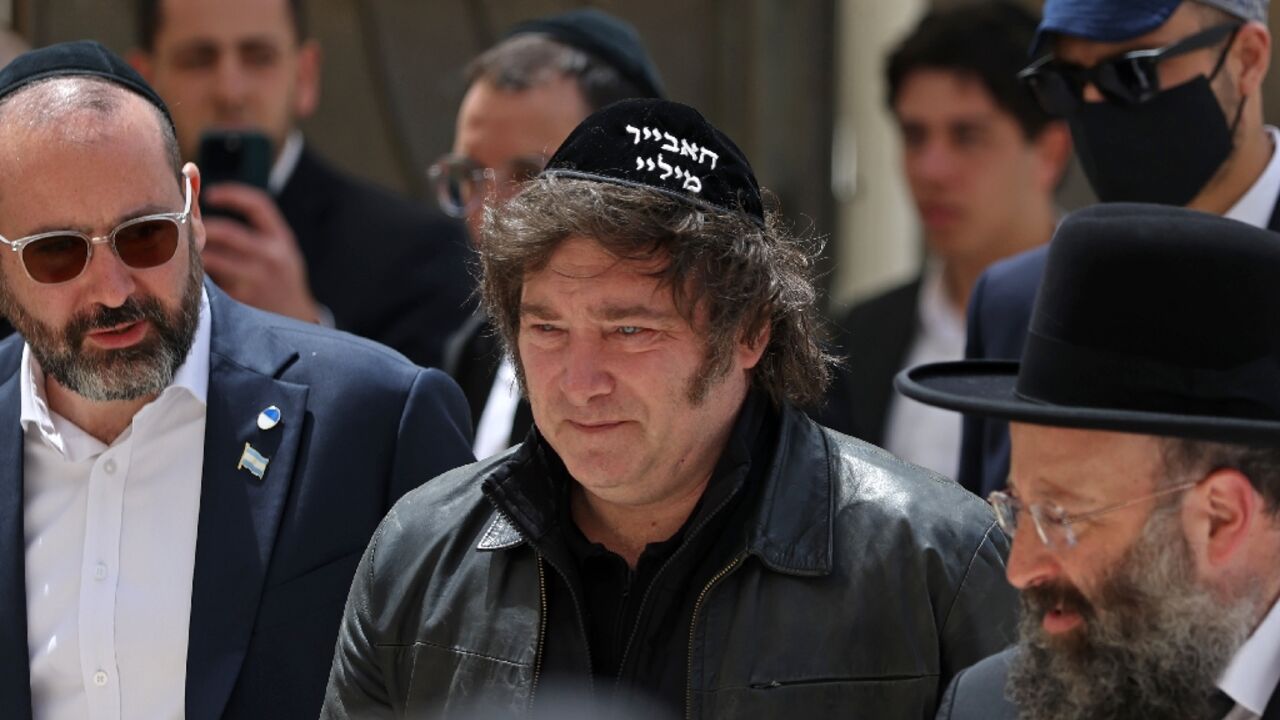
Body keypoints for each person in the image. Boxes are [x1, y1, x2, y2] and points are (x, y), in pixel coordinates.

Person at [322, 99, 1017, 719]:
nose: (580, 381)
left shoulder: (938, 563)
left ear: (749, 331)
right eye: (547, 330)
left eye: (630, 331)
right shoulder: (418, 553)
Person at [0, 42, 474, 720]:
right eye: (56, 252)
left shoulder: (378, 417)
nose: (111, 289)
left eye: (144, 236)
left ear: (191, 206)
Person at [898, 203, 1280, 719]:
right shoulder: (988, 706)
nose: (1019, 569)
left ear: (1220, 519)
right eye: (1016, 508)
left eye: (1061, 516)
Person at [957, 0, 1279, 498]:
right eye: (1064, 80)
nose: (1096, 106)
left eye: (1134, 73)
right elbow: (986, 556)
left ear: (1248, 60)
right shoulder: (1020, 303)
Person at [128, 0, 473, 369]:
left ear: (305, 76)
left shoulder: (417, 251)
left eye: (259, 57)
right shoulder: (103, 243)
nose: (230, 92)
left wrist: (309, 331)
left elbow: (434, 418)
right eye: (198, 60)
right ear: (144, 80)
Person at [817, 1, 1070, 478]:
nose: (931, 170)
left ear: (1050, 153)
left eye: (967, 136)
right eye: (915, 136)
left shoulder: (1108, 322)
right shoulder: (861, 335)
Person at [438, 8, 664, 458]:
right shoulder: (476, 346)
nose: (490, 213)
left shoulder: (682, 352)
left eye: (527, 175)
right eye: (468, 174)